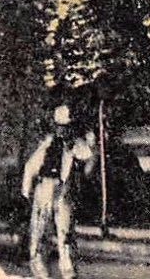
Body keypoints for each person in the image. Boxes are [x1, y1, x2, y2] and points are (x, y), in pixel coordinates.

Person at [21, 105, 95, 279]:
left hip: (64, 191)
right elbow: (30, 167)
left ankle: (69, 272)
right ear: (56, 126)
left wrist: (83, 170)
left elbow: (90, 158)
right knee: (40, 230)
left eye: (67, 126)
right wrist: (26, 192)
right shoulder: (48, 144)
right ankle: (40, 271)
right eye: (60, 126)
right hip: (45, 189)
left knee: (65, 232)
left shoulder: (77, 145)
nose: (63, 130)